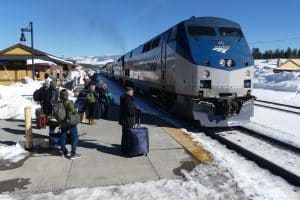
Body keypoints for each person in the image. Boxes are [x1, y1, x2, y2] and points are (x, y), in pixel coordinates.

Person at [59, 89, 81, 160]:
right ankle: (73, 153)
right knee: (74, 137)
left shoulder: (59, 103)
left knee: (63, 137)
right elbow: (73, 111)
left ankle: (64, 151)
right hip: (70, 122)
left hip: (63, 122)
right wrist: (76, 109)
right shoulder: (68, 102)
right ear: (67, 95)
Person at [119, 87, 141, 154]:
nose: (133, 93)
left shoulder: (124, 98)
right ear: (129, 92)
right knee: (128, 135)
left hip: (124, 120)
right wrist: (137, 111)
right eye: (132, 92)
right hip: (128, 120)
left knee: (125, 135)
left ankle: (124, 148)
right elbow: (130, 111)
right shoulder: (128, 99)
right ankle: (127, 150)